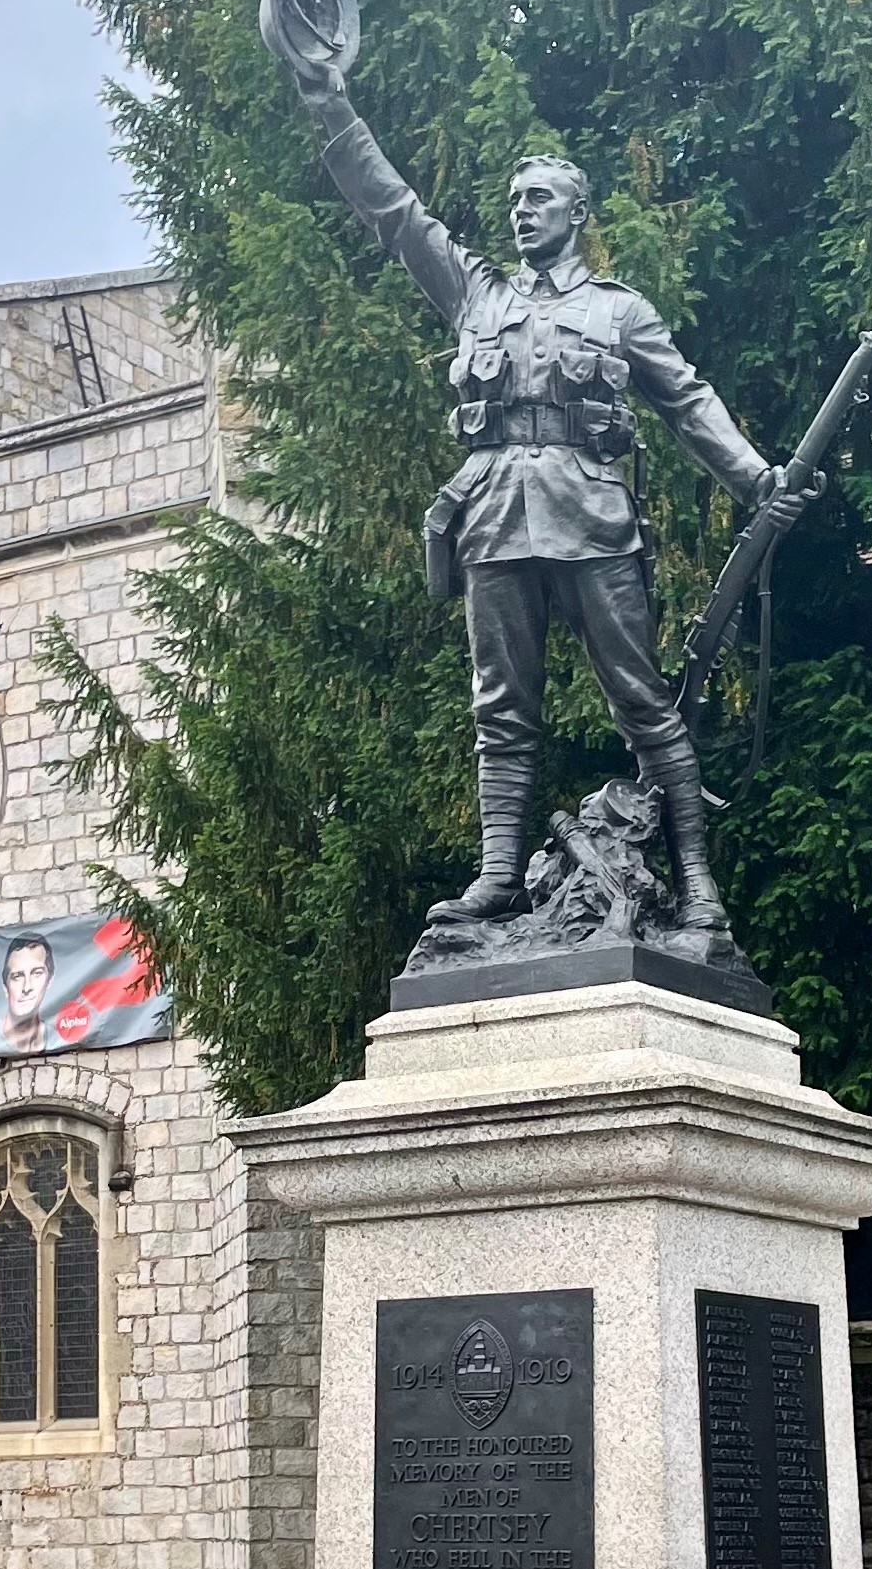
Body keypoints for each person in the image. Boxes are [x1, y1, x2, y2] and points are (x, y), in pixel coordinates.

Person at [280, 61, 803, 942]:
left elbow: (688, 399)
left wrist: (755, 478)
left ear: (576, 215)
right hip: (491, 516)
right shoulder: (475, 293)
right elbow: (393, 209)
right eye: (516, 198)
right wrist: (327, 98)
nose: (523, 209)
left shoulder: (620, 310)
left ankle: (700, 888)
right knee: (502, 707)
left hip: (592, 514)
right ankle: (496, 876)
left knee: (643, 702)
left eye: (541, 198)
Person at [0, 932, 54, 1055]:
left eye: (36, 973)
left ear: (49, 981)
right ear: (5, 987)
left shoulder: (59, 1039)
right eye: (17, 976)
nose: (27, 987)